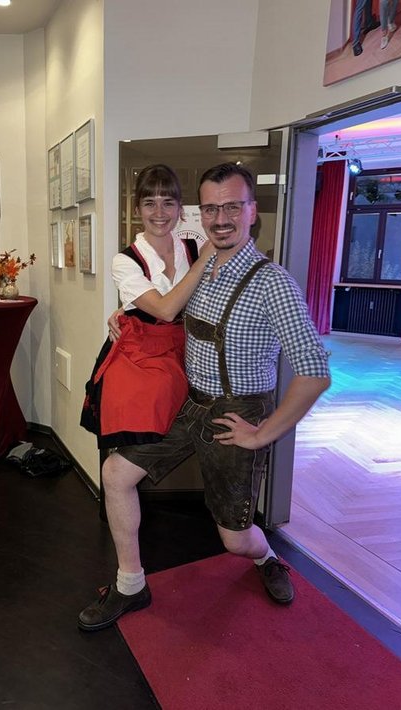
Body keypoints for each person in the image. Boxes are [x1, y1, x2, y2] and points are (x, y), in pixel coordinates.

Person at [78, 163, 331, 632]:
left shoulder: (273, 282)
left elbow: (314, 373)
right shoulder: (203, 264)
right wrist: (123, 311)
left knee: (235, 540)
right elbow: (165, 308)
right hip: (190, 401)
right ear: (200, 213)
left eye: (232, 206)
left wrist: (262, 436)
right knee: (116, 473)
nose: (221, 218)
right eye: (212, 208)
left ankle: (267, 557)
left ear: (252, 211)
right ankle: (130, 584)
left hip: (238, 414)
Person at [80, 164, 215, 450]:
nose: (159, 212)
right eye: (149, 203)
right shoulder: (125, 260)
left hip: (191, 355)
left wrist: (126, 308)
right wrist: (203, 262)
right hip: (141, 360)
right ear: (138, 209)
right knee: (133, 449)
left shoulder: (193, 249)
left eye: (168, 203)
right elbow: (165, 310)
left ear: (180, 209)